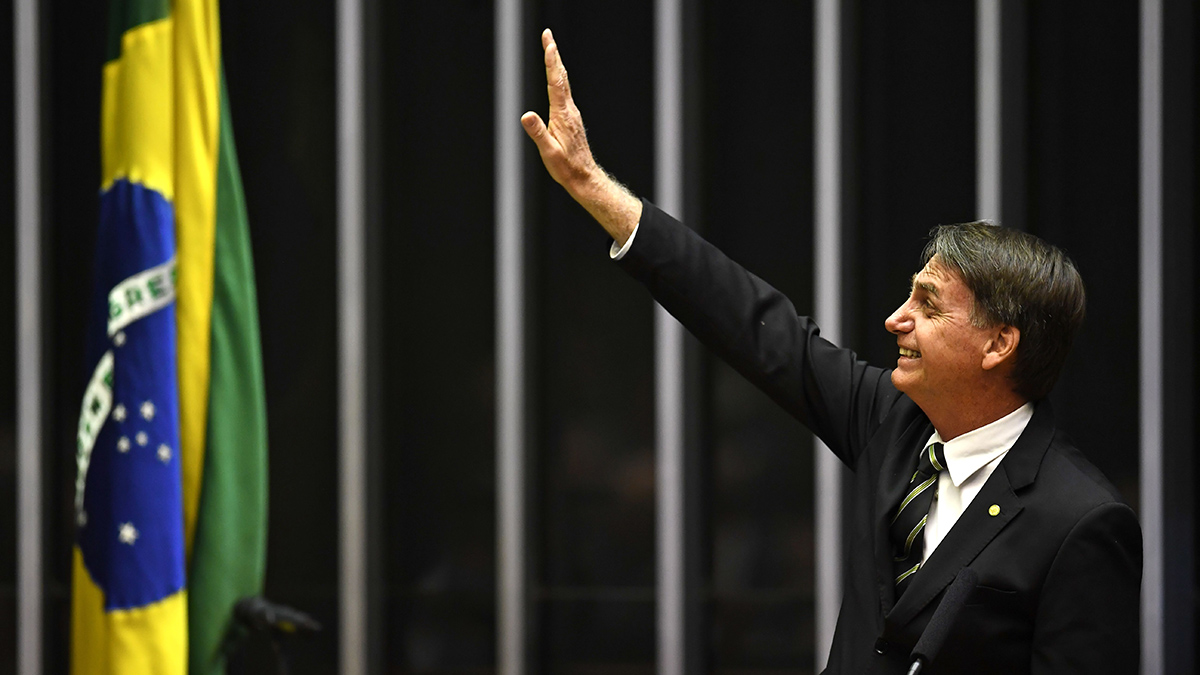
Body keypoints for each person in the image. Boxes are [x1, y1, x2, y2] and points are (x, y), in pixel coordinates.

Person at [521, 28, 1142, 675]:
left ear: (998, 343)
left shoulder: (1081, 519)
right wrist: (594, 189)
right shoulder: (892, 422)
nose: (894, 319)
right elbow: (752, 323)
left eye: (927, 305)